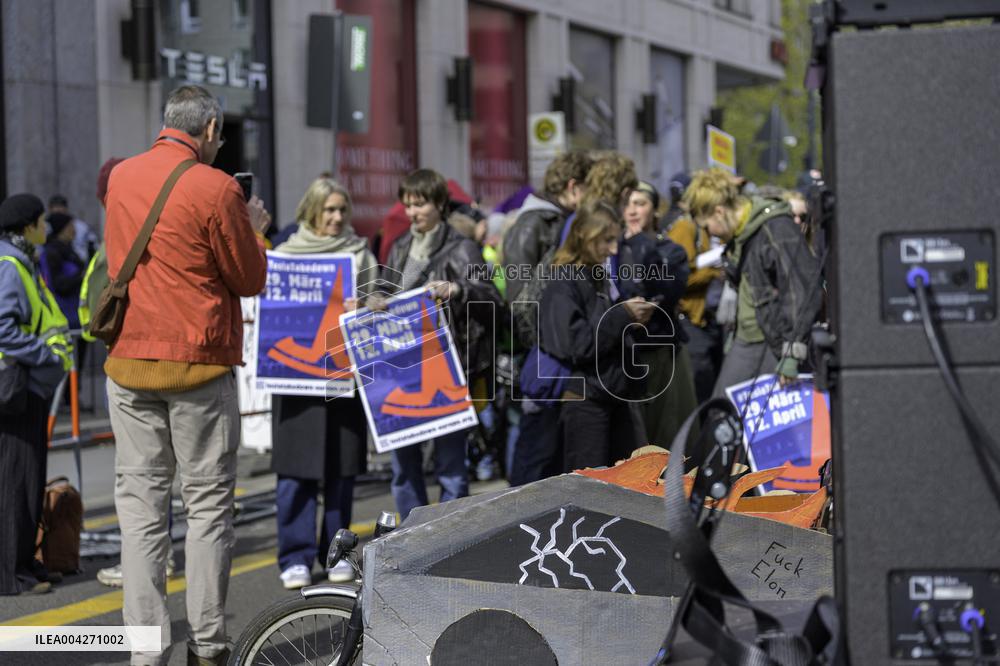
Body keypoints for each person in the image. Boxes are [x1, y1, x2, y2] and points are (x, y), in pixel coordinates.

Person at [103, 84, 270, 666]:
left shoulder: (121, 177)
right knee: (206, 508)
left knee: (142, 513)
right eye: (218, 135)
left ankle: (146, 651)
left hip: (129, 362)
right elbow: (247, 278)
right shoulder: (216, 186)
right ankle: (208, 644)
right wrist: (252, 225)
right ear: (209, 129)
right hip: (197, 363)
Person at [373, 168, 502, 520]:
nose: (413, 213)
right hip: (403, 370)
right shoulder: (401, 247)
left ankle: (448, 538)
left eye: (421, 205)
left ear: (440, 204)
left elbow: (491, 298)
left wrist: (457, 289)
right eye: (408, 205)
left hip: (448, 370)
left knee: (451, 468)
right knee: (404, 469)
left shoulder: (463, 248)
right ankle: (411, 540)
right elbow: (386, 292)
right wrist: (374, 300)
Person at [270, 178, 376, 589]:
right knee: (294, 472)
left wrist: (365, 306)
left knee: (341, 470)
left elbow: (380, 310)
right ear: (311, 211)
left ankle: (336, 551)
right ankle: (294, 555)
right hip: (297, 381)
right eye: (328, 210)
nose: (336, 218)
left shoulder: (360, 254)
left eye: (342, 210)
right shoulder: (285, 255)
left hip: (341, 379)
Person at [683, 169, 822, 396]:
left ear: (719, 212)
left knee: (723, 417)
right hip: (749, 341)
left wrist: (792, 352)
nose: (711, 235)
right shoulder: (744, 232)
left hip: (769, 342)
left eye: (707, 227)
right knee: (722, 419)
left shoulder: (774, 226)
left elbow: (802, 288)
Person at [540, 200, 655, 471]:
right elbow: (577, 344)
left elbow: (599, 330)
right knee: (589, 488)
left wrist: (631, 321)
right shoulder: (562, 282)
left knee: (628, 484)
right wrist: (622, 315)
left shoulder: (596, 275)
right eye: (606, 241)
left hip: (613, 393)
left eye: (615, 240)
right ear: (585, 236)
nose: (613, 250)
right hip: (584, 399)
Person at [0, 193, 73, 596]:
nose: (47, 227)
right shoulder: (10, 265)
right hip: (16, 388)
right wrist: (45, 354)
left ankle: (28, 564)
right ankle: (12, 575)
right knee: (15, 481)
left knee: (28, 479)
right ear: (28, 226)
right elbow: (4, 330)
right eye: (42, 221)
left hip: (28, 387)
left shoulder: (22, 261)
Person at [619, 181, 695, 447]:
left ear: (654, 210)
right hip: (623, 355)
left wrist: (640, 244)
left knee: (666, 433)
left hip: (660, 350)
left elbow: (668, 291)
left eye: (640, 204)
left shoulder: (669, 250)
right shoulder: (611, 250)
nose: (632, 211)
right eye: (627, 204)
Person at [667, 198, 726, 406]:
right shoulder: (685, 228)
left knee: (711, 383)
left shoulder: (707, 230)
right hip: (690, 321)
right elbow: (680, 277)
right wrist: (712, 273)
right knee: (700, 387)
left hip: (709, 320)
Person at [42, 212, 86, 331]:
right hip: (65, 311)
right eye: (70, 226)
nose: (74, 230)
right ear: (61, 229)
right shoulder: (53, 253)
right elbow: (57, 283)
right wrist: (81, 277)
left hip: (75, 309)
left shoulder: (69, 249)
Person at [48, 194, 98, 263]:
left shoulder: (79, 226)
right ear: (50, 209)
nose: (58, 209)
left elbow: (93, 243)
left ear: (66, 209)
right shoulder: (44, 227)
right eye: (55, 207)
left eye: (61, 206)